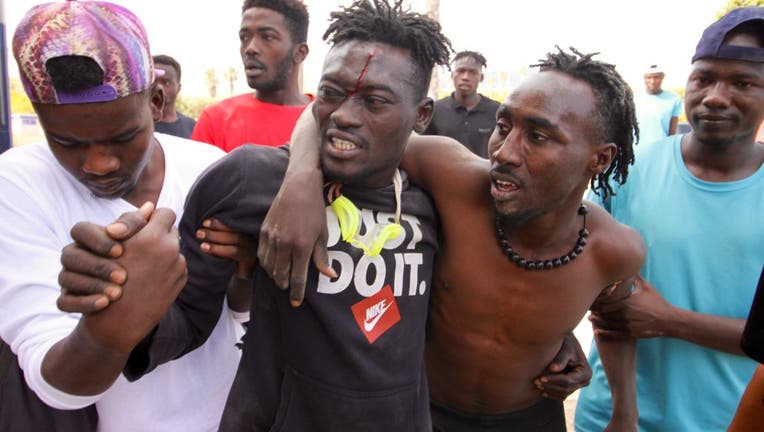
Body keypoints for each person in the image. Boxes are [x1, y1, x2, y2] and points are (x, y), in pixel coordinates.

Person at [57, 0, 452, 430]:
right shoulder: (250, 180)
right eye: (332, 94)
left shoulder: (436, 200)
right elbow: (188, 318)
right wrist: (122, 303)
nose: (342, 116)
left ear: (422, 115)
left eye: (374, 102)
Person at [253, 45, 647, 430]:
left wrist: (624, 415)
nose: (505, 153)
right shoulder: (451, 178)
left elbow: (615, 320)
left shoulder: (614, 250)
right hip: (423, 411)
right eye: (504, 127)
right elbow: (325, 119)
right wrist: (302, 178)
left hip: (531, 418)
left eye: (538, 137)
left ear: (599, 159)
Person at [0, 1, 247, 431]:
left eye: (122, 137)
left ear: (155, 101)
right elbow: (54, 384)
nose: (98, 164)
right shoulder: (17, 185)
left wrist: (246, 271)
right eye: (67, 142)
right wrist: (118, 318)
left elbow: (240, 319)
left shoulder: (211, 168)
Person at [575, 7, 764, 431]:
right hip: (612, 418)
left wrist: (669, 321)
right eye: (703, 78)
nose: (715, 95)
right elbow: (585, 282)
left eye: (743, 82)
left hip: (728, 419)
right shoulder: (624, 169)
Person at [191, 0, 314, 152]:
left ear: (300, 53)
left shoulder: (324, 120)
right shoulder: (215, 121)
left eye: (267, 37)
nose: (250, 48)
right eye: (244, 38)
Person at [422, 50, 501, 158]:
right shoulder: (434, 110)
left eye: (473, 72)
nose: (465, 77)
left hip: (483, 175)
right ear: (452, 75)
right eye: (461, 71)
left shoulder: (497, 112)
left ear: (481, 78)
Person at [634, 64, 683, 145]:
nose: (652, 81)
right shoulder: (633, 98)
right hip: (637, 150)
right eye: (649, 77)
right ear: (644, 79)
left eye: (656, 77)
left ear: (662, 78)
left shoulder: (674, 99)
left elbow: (672, 132)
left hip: (662, 149)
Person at [153, 54, 197, 138]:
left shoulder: (192, 127)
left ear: (178, 88)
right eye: (153, 81)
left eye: (166, 83)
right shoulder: (135, 126)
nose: (158, 87)